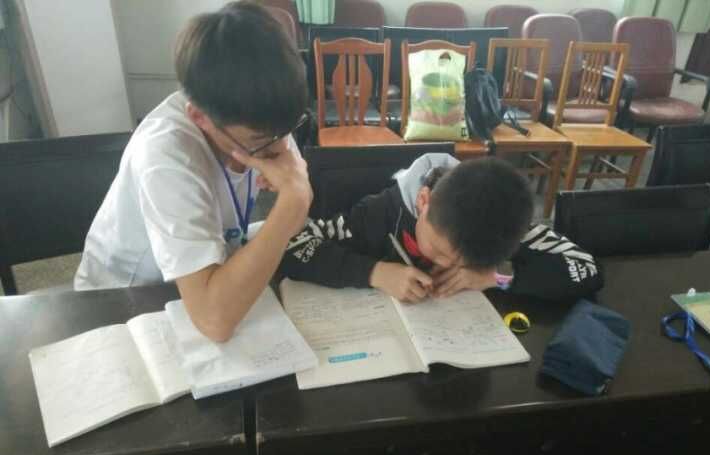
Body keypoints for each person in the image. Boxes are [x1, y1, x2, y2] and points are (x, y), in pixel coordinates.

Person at [74, 2, 312, 342]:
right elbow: (214, 322)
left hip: (209, 264)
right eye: (259, 141)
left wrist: (291, 204)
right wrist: (292, 204)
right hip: (124, 300)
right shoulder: (165, 156)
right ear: (200, 117)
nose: (280, 150)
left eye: (287, 130)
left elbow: (294, 215)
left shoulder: (264, 117)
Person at [280, 154, 604, 302]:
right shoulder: (376, 214)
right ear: (423, 201)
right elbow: (291, 246)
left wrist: (497, 277)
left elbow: (587, 268)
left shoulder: (497, 224)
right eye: (436, 251)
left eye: (463, 263)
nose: (445, 266)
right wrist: (375, 273)